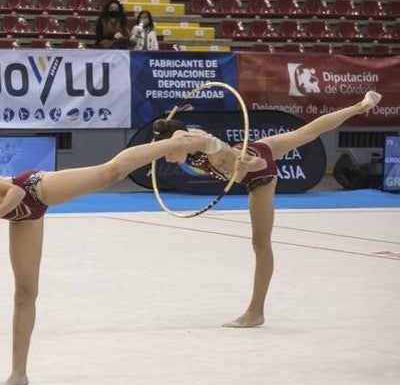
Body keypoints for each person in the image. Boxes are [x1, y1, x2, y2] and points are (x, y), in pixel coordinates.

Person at [0, 128, 239, 385]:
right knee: (25, 294)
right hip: (22, 219)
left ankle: (179, 141)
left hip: (35, 191)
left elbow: (13, 192)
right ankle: (19, 373)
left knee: (110, 172)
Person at [151, 91, 382, 328]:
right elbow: (183, 135)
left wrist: (249, 166)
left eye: (167, 151)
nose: (166, 158)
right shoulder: (189, 145)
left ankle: (255, 312)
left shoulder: (212, 150)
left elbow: (257, 164)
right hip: (257, 148)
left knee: (260, 245)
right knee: (306, 132)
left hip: (260, 175)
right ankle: (359, 106)